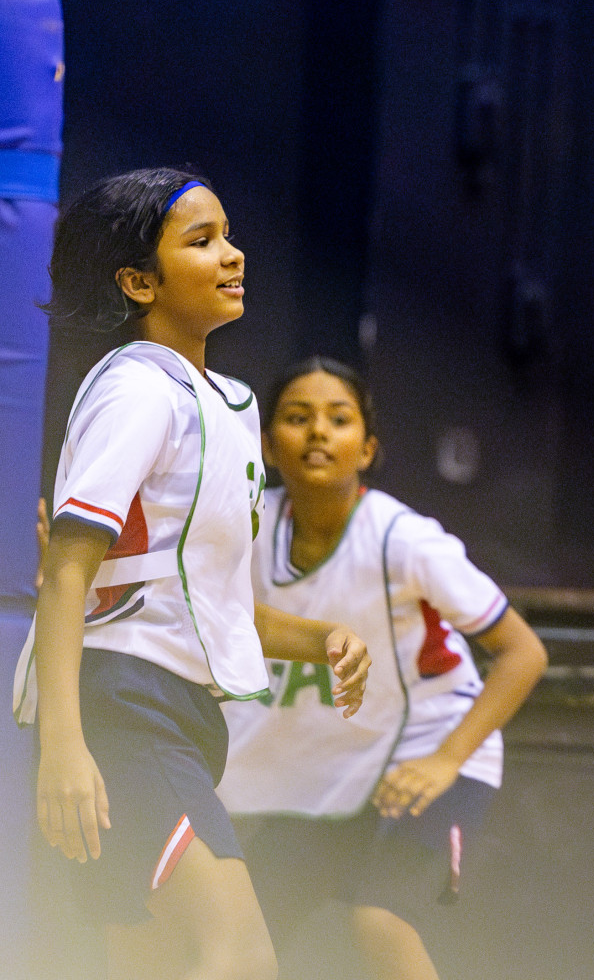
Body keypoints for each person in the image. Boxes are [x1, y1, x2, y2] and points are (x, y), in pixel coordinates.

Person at [15, 167, 371, 980]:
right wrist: (65, 749)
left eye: (230, 234)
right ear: (139, 281)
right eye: (202, 241)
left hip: (177, 713)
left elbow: (221, 610)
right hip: (119, 710)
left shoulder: (230, 406)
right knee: (240, 956)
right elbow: (68, 573)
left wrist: (326, 640)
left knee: (143, 965)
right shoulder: (136, 390)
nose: (232, 255)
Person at [216, 356, 549, 980]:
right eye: (297, 417)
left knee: (381, 921)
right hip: (328, 770)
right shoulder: (246, 530)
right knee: (237, 941)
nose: (318, 432)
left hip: (427, 756)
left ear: (367, 449)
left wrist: (445, 760)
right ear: (266, 445)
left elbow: (524, 653)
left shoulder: (405, 539)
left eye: (339, 420)